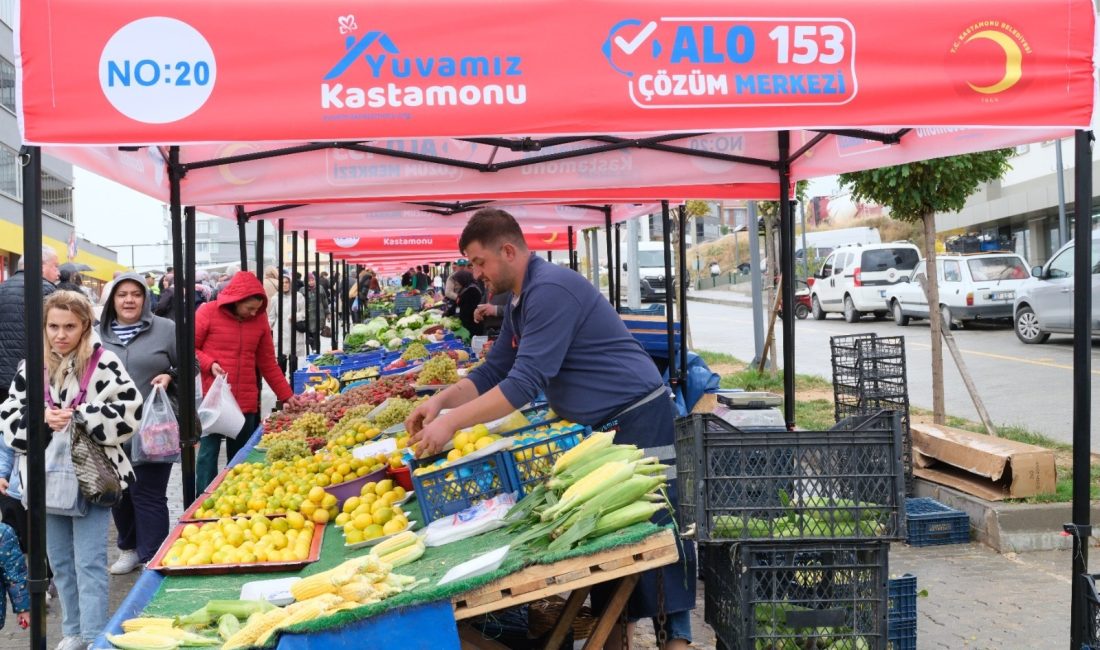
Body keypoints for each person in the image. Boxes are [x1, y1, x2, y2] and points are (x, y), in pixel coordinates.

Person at [406, 209, 694, 650]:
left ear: (508, 250)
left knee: (655, 520)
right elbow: (495, 370)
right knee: (605, 532)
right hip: (599, 425)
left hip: (636, 412)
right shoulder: (522, 299)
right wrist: (439, 401)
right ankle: (616, 635)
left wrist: (450, 424)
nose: (475, 273)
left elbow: (522, 385)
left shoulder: (550, 290)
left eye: (480, 262)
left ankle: (677, 637)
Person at [1, 290, 142, 650]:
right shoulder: (31, 367)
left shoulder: (104, 362)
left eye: (69, 326)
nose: (60, 334)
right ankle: (73, 632)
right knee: (61, 562)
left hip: (92, 478)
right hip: (44, 477)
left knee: (90, 563)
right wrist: (42, 419)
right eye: (53, 326)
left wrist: (82, 415)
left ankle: (95, 634)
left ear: (84, 326)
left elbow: (130, 413)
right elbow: (8, 420)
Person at [98, 273, 180, 576]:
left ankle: (153, 555)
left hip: (154, 428)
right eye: (122, 295)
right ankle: (129, 549)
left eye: (135, 294)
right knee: (119, 493)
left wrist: (170, 374)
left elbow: (190, 364)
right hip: (109, 429)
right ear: (112, 301)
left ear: (146, 298)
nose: (129, 300)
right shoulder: (96, 334)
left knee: (149, 493)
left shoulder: (166, 329)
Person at [194, 272, 295, 493]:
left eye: (257, 309)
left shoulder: (258, 320)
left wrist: (286, 395)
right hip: (215, 400)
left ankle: (237, 500)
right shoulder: (207, 312)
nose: (254, 313)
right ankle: (201, 502)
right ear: (235, 301)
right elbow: (190, 348)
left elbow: (268, 362)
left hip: (246, 401)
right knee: (207, 457)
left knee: (241, 460)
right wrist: (209, 363)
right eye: (249, 308)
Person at [0, 246, 60, 391]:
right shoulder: (47, 289)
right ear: (41, 266)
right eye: (55, 266)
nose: (58, 272)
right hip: (30, 376)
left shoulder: (2, 288)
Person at [268, 273, 307, 369]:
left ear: (290, 283)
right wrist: (267, 329)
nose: (284, 284)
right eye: (282, 283)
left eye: (286, 282)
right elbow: (272, 316)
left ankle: (292, 381)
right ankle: (282, 382)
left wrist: (295, 316)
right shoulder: (275, 298)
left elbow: (304, 313)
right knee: (281, 360)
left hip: (294, 330)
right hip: (280, 332)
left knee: (293, 359)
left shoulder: (298, 296)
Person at [444, 270, 483, 336]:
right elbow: (458, 303)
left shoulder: (472, 290)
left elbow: (465, 308)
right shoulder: (465, 289)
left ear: (463, 279)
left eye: (457, 281)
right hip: (467, 325)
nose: (456, 283)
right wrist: (447, 313)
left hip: (471, 326)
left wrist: (452, 316)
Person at [304, 272, 328, 354]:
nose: (311, 282)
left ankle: (317, 350)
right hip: (308, 316)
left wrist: (327, 313)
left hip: (319, 315)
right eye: (309, 280)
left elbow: (325, 301)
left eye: (312, 280)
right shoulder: (302, 290)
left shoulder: (320, 288)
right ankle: (313, 347)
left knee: (316, 334)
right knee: (309, 335)